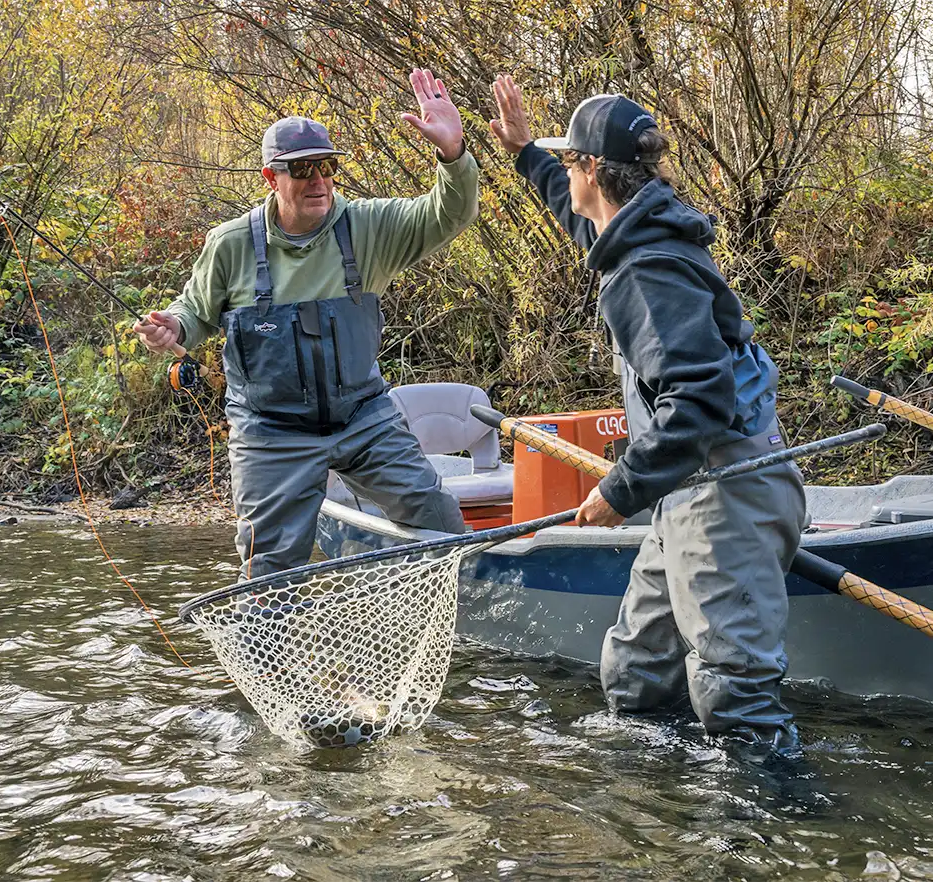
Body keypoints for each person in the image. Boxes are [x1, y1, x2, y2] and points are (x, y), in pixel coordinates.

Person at [489, 76, 807, 755]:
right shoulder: (642, 229)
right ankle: (662, 827)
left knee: (736, 697)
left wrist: (618, 490)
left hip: (725, 495)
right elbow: (581, 217)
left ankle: (770, 843)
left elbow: (696, 398)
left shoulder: (645, 269)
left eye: (570, 162)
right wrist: (524, 154)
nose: (568, 175)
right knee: (636, 678)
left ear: (594, 170)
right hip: (688, 495)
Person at [135, 69, 475, 577]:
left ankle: (459, 618)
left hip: (364, 417)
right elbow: (194, 314)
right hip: (270, 431)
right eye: (302, 170)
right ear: (272, 178)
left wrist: (453, 155)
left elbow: (448, 214)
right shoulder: (230, 243)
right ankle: (270, 647)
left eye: (327, 167)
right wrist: (171, 329)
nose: (319, 180)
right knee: (269, 566)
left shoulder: (368, 226)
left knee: (439, 519)